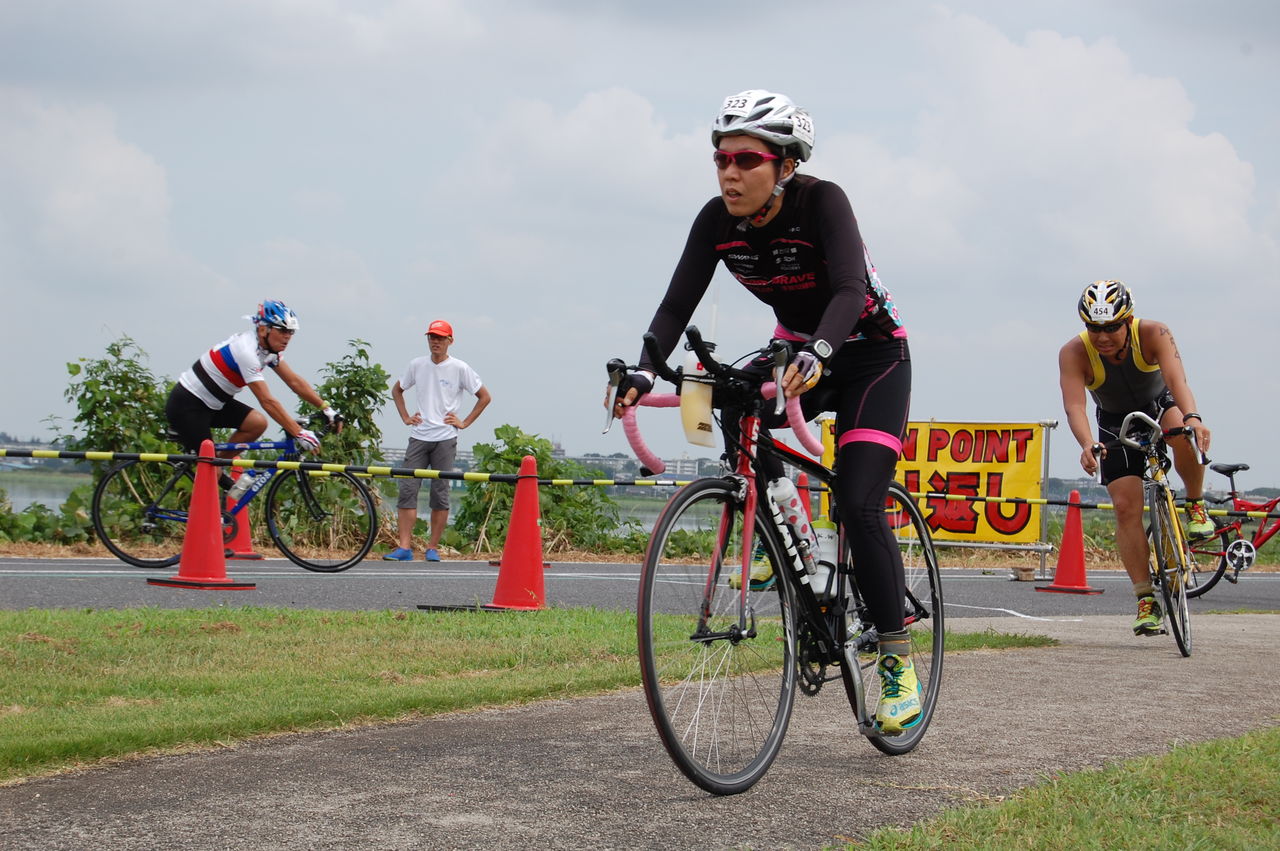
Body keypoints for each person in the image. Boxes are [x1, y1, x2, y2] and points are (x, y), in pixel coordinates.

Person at [610, 90, 919, 734]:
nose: (730, 172)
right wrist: (643, 369)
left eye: (746, 160)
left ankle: (896, 659)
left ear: (785, 166)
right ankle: (787, 541)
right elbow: (676, 306)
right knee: (731, 399)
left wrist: (821, 351)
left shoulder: (822, 201)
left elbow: (849, 289)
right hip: (793, 349)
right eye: (721, 159)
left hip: (869, 355)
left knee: (859, 500)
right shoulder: (715, 221)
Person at [1058, 280, 1213, 637]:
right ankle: (1146, 600)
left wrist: (1193, 418)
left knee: (1182, 432)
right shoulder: (1073, 352)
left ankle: (1195, 505)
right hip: (1115, 423)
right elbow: (1075, 406)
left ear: (1128, 320)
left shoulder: (1154, 333)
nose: (1102, 337)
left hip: (1160, 405)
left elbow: (1176, 380)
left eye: (1112, 327)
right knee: (1125, 507)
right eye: (1094, 328)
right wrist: (1087, 443)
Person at [165, 300, 340, 476]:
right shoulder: (246, 352)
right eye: (282, 330)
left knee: (256, 424)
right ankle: (214, 474)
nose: (287, 336)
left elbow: (294, 382)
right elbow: (267, 401)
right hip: (188, 405)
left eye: (291, 332)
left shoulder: (268, 351)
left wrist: (326, 408)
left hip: (214, 404)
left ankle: (219, 469)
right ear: (263, 329)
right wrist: (299, 433)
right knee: (211, 470)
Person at [384, 320, 491, 562]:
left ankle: (432, 547)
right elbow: (397, 390)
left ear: (450, 341)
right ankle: (404, 547)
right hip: (419, 436)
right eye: (432, 337)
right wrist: (405, 417)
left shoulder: (460, 368)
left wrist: (464, 422)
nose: (436, 341)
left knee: (440, 493)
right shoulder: (417, 364)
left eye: (441, 337)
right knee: (407, 490)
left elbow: (484, 396)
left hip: (445, 438)